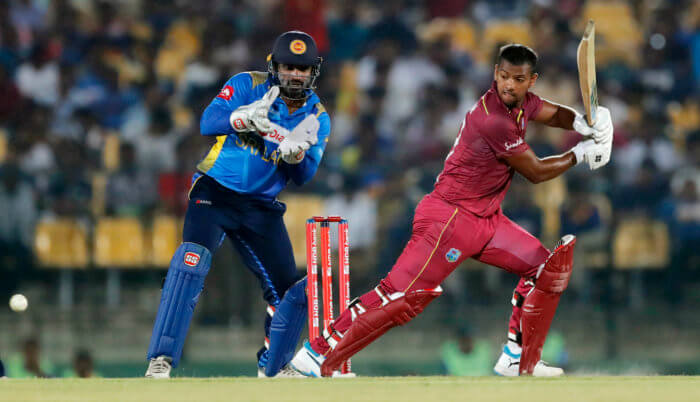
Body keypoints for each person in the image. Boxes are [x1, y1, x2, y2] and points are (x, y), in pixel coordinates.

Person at [290, 44, 613, 377]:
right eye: (503, 77)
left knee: (543, 268)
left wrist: (582, 122)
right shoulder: (492, 119)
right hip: (449, 218)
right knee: (398, 296)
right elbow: (534, 172)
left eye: (518, 79)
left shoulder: (524, 102)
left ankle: (515, 356)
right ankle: (317, 352)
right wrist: (582, 152)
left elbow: (552, 113)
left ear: (531, 81)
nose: (508, 85)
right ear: (495, 75)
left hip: (486, 219)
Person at [145, 31, 331, 378]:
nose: (295, 75)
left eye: (302, 69)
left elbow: (304, 176)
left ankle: (272, 367)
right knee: (191, 261)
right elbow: (206, 123)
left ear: (312, 73)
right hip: (214, 192)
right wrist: (240, 119)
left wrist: (295, 155)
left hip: (260, 206)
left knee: (290, 291)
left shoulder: (316, 118)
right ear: (275, 66)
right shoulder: (247, 85)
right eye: (288, 66)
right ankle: (161, 359)